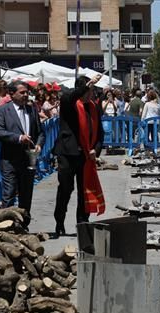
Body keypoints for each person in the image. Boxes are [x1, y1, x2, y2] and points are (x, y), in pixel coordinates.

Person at [52, 74, 104, 248]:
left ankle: (82, 223)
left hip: (85, 155)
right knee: (66, 188)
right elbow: (70, 96)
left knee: (85, 190)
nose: (90, 95)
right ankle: (59, 221)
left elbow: (100, 135)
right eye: (88, 92)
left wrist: (95, 150)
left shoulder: (94, 107)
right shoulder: (69, 103)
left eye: (92, 92)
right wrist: (86, 86)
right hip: (67, 153)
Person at [0, 81, 45, 227]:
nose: (25, 95)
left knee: (26, 194)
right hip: (10, 159)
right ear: (11, 94)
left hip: (28, 160)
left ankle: (23, 225)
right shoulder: (3, 110)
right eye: (22, 92)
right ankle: (6, 227)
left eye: (26, 92)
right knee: (9, 194)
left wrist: (39, 144)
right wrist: (18, 138)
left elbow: (40, 132)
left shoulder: (32, 110)